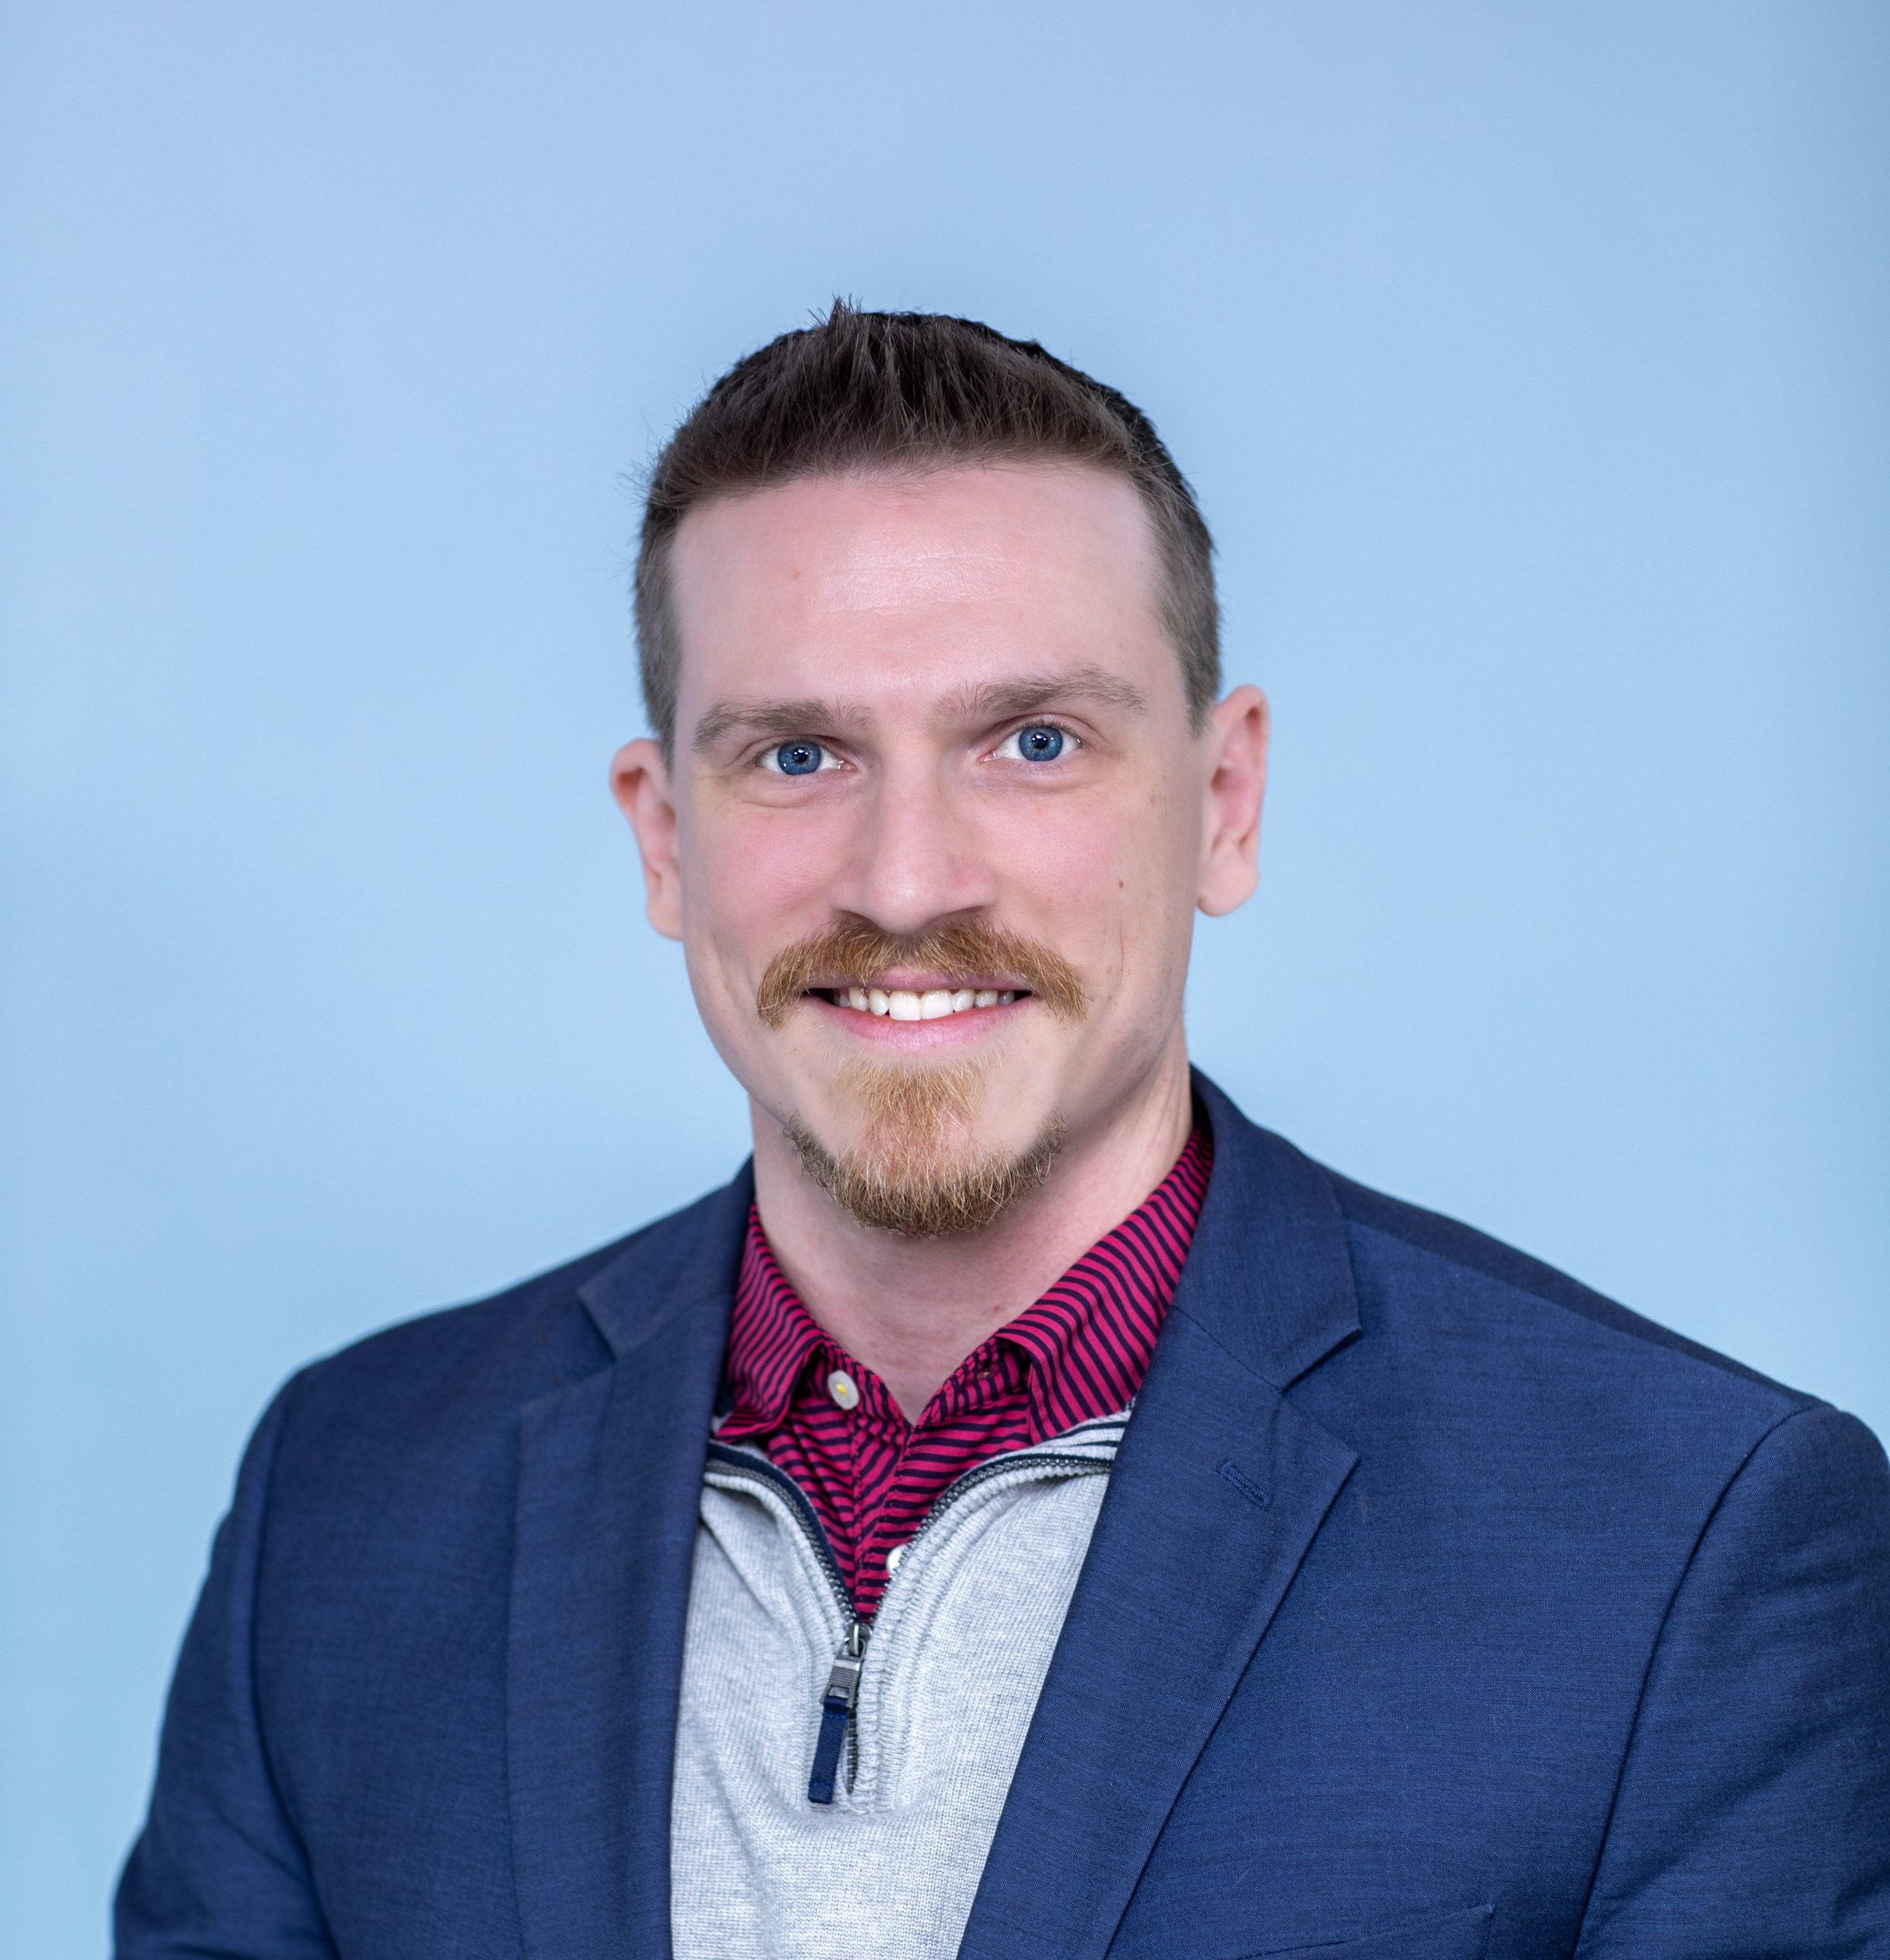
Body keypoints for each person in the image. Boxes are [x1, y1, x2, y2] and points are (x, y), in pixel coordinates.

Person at [116, 305, 1890, 1960]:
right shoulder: (344, 1505)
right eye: (797, 756)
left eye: (1030, 740)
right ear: (663, 837)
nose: (905, 881)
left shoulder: (1681, 1543)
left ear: (1222, 797)